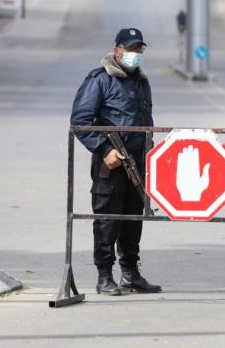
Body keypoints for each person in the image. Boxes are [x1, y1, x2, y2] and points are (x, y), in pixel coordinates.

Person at [71, 28, 161, 296]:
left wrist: (151, 152)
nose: (135, 54)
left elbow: (145, 121)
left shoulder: (141, 81)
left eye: (139, 50)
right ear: (117, 50)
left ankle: (131, 274)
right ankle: (104, 276)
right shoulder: (100, 79)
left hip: (138, 162)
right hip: (110, 163)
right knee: (108, 219)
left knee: (134, 219)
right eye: (130, 49)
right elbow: (80, 121)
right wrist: (104, 149)